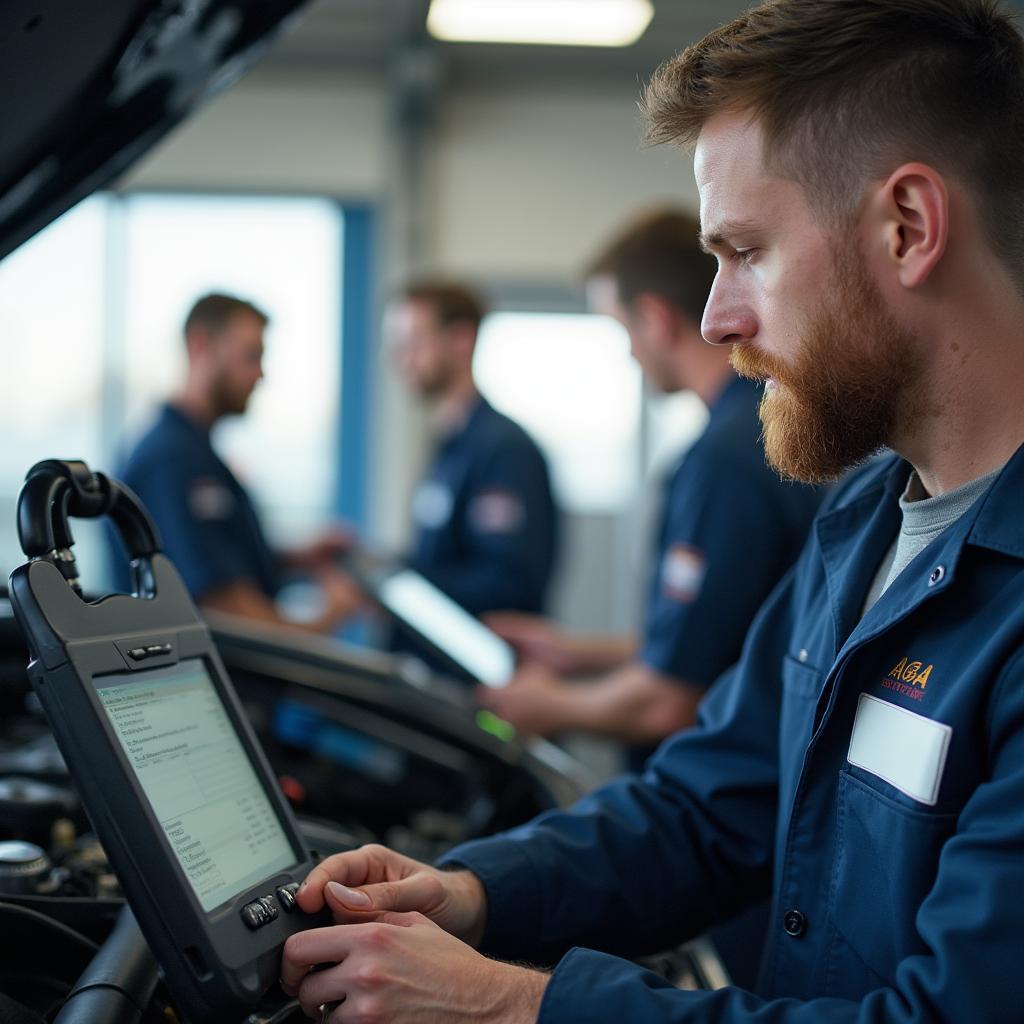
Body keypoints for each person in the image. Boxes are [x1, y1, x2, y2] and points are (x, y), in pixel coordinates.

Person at [280, 0, 1024, 1020]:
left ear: (907, 228)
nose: (718, 319)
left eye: (746, 251)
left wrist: (513, 1005)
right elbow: (707, 808)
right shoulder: (860, 525)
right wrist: (470, 892)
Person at [482, 211, 822, 756]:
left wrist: (550, 704)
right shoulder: (755, 428)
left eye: (622, 329)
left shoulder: (725, 460)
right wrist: (576, 653)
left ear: (657, 319)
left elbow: (671, 700)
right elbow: (714, 637)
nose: (627, 353)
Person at [112, 293, 357, 633]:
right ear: (200, 346)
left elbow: (220, 559)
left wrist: (297, 558)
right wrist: (331, 615)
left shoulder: (197, 453)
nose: (260, 375)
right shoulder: (173, 461)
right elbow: (231, 614)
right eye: (251, 356)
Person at [385, 280, 559, 620]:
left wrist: (398, 583)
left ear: (461, 340)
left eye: (413, 342)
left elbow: (508, 586)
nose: (400, 358)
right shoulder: (448, 443)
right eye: (396, 344)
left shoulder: (504, 450)